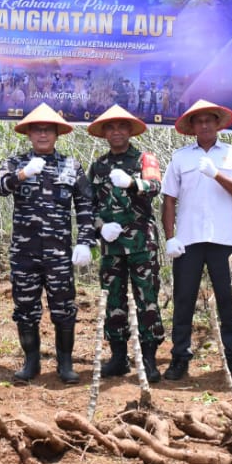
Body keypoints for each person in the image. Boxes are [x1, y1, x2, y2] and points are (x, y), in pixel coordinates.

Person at [0, 103, 94, 384]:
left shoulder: (71, 166)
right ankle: (31, 362)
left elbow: (86, 206)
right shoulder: (15, 162)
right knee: (25, 307)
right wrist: (23, 174)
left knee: (64, 308)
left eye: (47, 130)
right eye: (37, 130)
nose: (42, 135)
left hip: (59, 253)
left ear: (56, 134)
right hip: (24, 253)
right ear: (28, 134)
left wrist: (85, 241)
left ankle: (65, 364)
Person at [160, 99, 232, 380]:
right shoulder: (180, 157)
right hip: (188, 239)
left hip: (224, 239)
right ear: (192, 127)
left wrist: (216, 174)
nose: (204, 125)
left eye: (209, 120)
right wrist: (170, 237)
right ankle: (179, 357)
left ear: (217, 124)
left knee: (228, 300)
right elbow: (169, 199)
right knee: (184, 298)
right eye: (198, 121)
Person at [87, 104, 164, 382]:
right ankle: (118, 357)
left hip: (142, 244)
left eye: (122, 127)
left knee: (147, 300)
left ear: (130, 131)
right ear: (105, 132)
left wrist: (133, 184)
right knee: (113, 300)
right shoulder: (98, 166)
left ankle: (149, 359)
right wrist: (99, 228)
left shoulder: (145, 159)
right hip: (112, 247)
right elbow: (89, 206)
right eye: (111, 127)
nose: (116, 131)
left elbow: (155, 186)